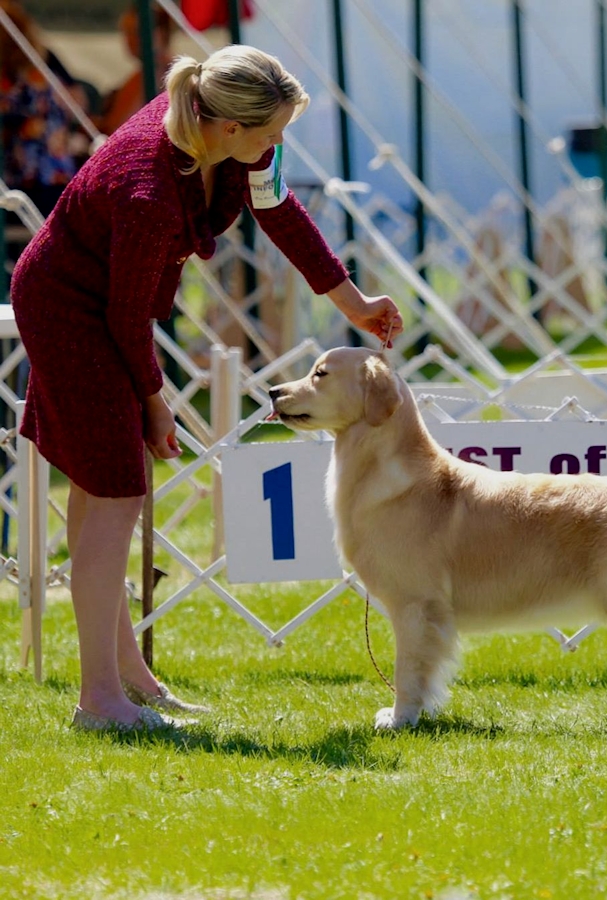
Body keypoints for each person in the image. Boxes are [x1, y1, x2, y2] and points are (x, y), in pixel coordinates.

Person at [10, 44, 404, 733]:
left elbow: (278, 210)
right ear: (228, 128)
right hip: (70, 309)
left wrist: (353, 302)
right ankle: (98, 701)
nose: (276, 146)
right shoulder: (148, 194)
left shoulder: (221, 129)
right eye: (273, 135)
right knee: (117, 491)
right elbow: (125, 319)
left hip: (102, 305)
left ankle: (130, 681)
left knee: (107, 489)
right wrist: (156, 400)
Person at [0, 0, 91, 218]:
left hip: (31, 184)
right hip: (62, 181)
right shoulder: (51, 77)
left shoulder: (16, 87)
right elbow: (80, 104)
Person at [97, 2, 174, 136]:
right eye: (126, 31)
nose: (129, 39)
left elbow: (117, 128)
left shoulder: (155, 72)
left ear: (159, 34)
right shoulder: (161, 69)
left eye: (136, 32)